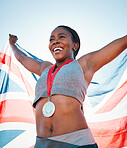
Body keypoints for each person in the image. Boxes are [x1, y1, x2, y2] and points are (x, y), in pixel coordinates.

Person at [9, 25, 127, 148]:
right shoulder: (45, 68)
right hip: (42, 143)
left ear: (74, 45)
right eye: (51, 39)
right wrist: (12, 44)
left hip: (76, 142)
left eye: (61, 37)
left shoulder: (84, 64)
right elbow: (22, 58)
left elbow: (119, 44)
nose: (55, 41)